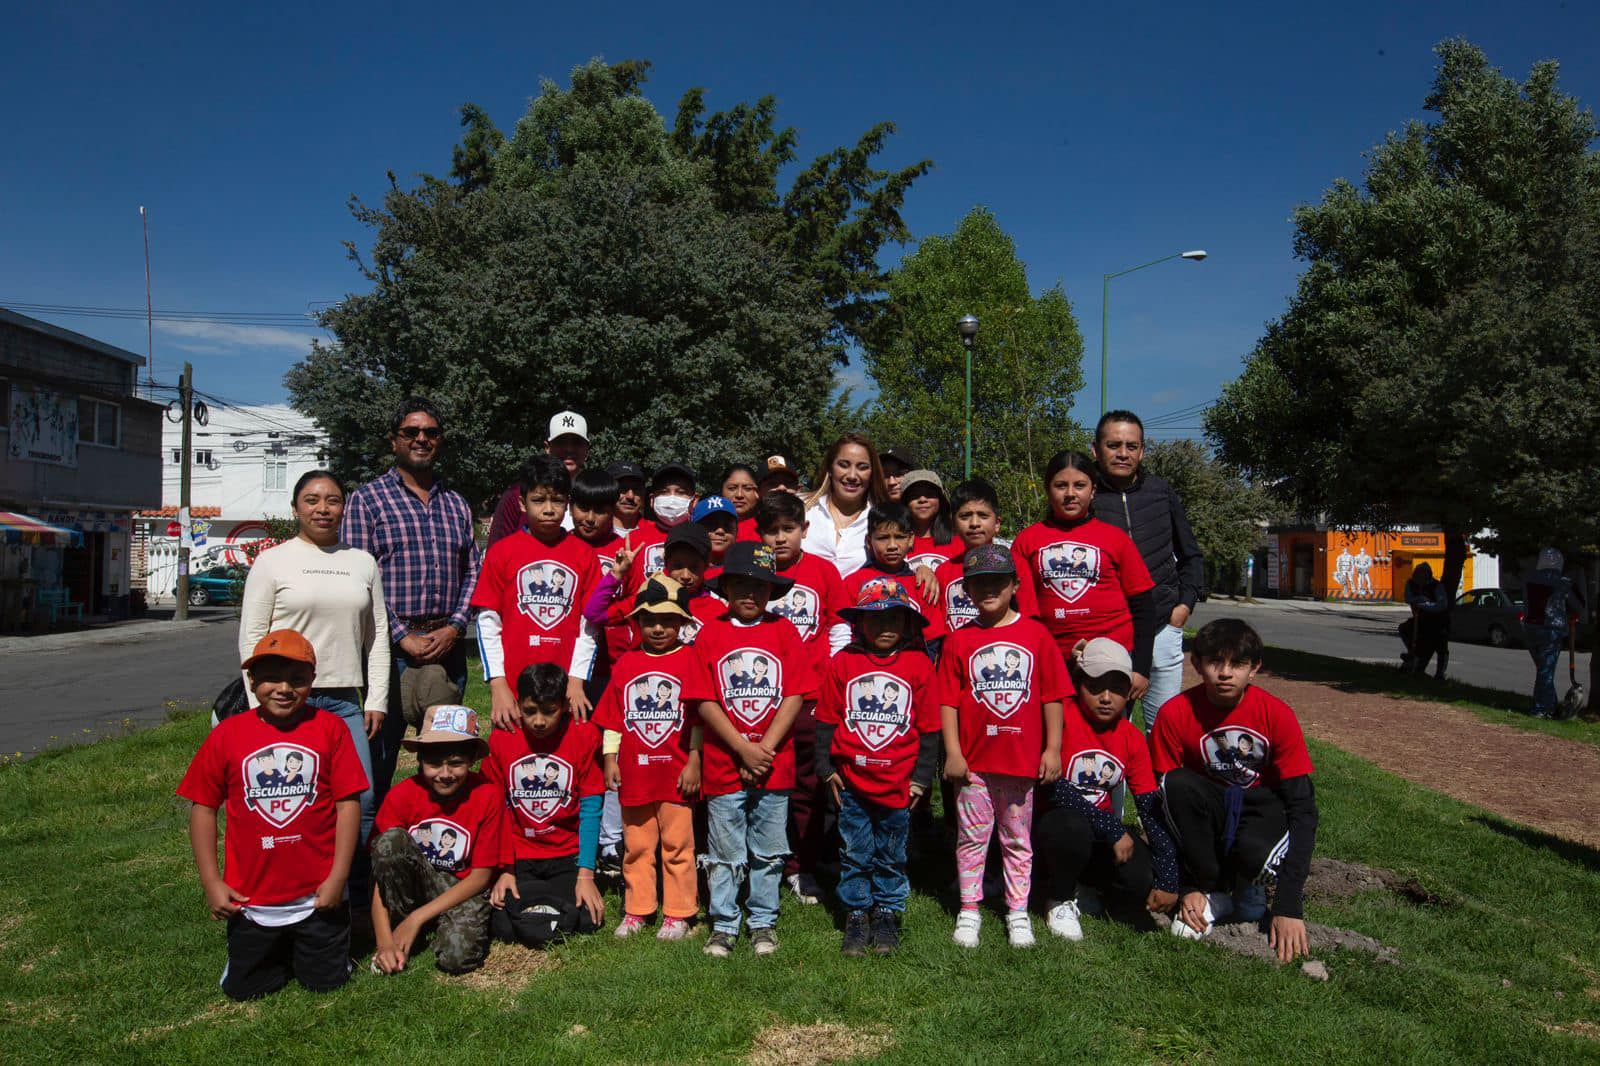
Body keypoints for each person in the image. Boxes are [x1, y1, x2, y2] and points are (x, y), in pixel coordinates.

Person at [177, 630, 368, 1001]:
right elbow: (203, 807)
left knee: (326, 984)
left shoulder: (331, 729)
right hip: (251, 901)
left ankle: (307, 945)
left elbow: (348, 805)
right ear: (251, 681)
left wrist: (338, 879)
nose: (284, 688)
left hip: (317, 896)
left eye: (297, 679)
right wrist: (212, 883)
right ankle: (272, 948)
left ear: (313, 680)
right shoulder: (228, 734)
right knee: (245, 990)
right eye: (271, 678)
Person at [239, 469, 391, 903]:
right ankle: (295, 891)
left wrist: (376, 698)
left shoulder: (362, 562)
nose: (322, 508)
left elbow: (377, 636)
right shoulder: (272, 562)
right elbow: (252, 638)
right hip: (286, 701)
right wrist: (259, 704)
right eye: (311, 500)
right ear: (295, 508)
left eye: (332, 500)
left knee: (360, 801)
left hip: (344, 700)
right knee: (299, 801)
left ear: (344, 508)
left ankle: (352, 895)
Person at [1151, 619, 1318, 963]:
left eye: (1237, 664)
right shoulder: (1175, 714)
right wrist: (1186, 885)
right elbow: (1159, 807)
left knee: (1255, 849)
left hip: (1262, 808)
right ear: (1196, 664)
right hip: (1211, 809)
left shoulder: (1276, 715)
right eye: (1214, 662)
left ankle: (1249, 888)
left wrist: (1288, 905)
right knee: (1174, 785)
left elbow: (1303, 807)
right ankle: (1210, 890)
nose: (1225, 673)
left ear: (1254, 668)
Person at [342, 397, 479, 815]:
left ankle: (441, 855)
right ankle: (368, 872)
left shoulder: (456, 504)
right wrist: (402, 636)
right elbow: (357, 579)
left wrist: (455, 627)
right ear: (394, 440)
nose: (421, 439)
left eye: (430, 433)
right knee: (374, 772)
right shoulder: (367, 501)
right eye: (411, 432)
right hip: (387, 653)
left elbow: (473, 572)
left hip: (447, 646)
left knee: (447, 768)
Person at [938, 546, 1068, 949]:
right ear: (967, 591)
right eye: (978, 584)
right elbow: (948, 701)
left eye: (997, 582)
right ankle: (970, 909)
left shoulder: (1037, 634)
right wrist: (953, 753)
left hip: (1020, 761)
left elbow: (1052, 696)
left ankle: (1017, 911)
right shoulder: (959, 640)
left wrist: (1053, 749)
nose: (988, 590)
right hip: (974, 763)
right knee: (971, 838)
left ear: (1015, 585)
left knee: (1016, 839)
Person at [694, 542, 816, 957]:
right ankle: (724, 923)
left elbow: (796, 693)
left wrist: (762, 748)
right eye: (741, 584)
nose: (750, 593)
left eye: (760, 586)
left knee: (768, 849)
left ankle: (763, 921)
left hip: (774, 762)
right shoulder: (711, 633)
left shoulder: (784, 630)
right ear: (725, 587)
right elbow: (705, 700)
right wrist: (741, 749)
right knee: (725, 850)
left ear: (772, 590)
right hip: (723, 761)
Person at [815, 578, 940, 956]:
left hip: (898, 784)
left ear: (907, 625)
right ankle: (856, 913)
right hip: (853, 782)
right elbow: (826, 719)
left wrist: (920, 779)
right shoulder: (845, 662)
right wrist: (825, 767)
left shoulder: (918, 665)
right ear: (859, 623)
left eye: (894, 620)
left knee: (891, 852)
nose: (885, 628)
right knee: (854, 851)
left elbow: (930, 728)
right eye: (874, 619)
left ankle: (886, 912)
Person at [1034, 638, 1179, 941]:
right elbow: (1050, 786)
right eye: (1096, 686)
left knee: (1140, 877)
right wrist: (1111, 826)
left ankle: (1084, 885)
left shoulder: (1132, 737)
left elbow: (1149, 805)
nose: (1106, 698)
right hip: (1050, 826)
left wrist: (1168, 877)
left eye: (1117, 689)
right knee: (1071, 828)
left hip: (1100, 833)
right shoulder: (1058, 716)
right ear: (1078, 683)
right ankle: (1058, 897)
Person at [590, 575, 705, 940]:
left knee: (678, 847)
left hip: (675, 773)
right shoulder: (626, 663)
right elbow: (613, 717)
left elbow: (700, 717)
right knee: (637, 846)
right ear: (637, 622)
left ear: (683, 623)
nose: (658, 628)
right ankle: (637, 908)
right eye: (650, 620)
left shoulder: (691, 660)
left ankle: (679, 912)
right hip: (635, 775)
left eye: (668, 620)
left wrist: (694, 760)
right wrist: (610, 758)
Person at [757, 491, 849, 904]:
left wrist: (831, 672)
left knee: (809, 785)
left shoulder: (823, 572)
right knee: (770, 782)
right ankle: (767, 862)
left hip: (812, 697)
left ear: (804, 530)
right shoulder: (752, 575)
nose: (780, 539)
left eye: (788, 529)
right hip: (763, 700)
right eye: (771, 530)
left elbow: (839, 627)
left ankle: (802, 865)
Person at [1014, 449, 1158, 708]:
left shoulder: (1115, 539)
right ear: (1048, 490)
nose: (1070, 493)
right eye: (1061, 485)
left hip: (1111, 661)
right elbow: (1025, 612)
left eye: (1079, 485)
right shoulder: (1027, 541)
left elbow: (1144, 607)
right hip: (1052, 663)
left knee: (1106, 745)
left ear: (1093, 491)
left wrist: (1141, 668)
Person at [368, 704, 504, 975]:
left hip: (463, 885)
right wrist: (383, 942)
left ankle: (420, 921)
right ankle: (401, 924)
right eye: (433, 764)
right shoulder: (401, 795)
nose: (444, 773)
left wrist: (417, 919)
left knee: (457, 959)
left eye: (455, 763)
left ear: (472, 760)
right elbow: (380, 876)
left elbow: (480, 876)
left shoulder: (488, 795)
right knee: (389, 842)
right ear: (419, 760)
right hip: (416, 882)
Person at [1090, 411, 1204, 730]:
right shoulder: (1085, 496)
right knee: (1107, 731)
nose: (1123, 453)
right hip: (1110, 632)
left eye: (1131, 446)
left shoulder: (1161, 491)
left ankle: (1162, 782)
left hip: (1163, 626)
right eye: (1113, 445)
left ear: (1141, 451)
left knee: (1165, 730)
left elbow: (1191, 554)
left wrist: (1184, 606)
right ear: (1096, 449)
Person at [472, 456, 603, 732]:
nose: (548, 509)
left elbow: (589, 623)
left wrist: (577, 679)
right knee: (512, 761)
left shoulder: (584, 555)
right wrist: (497, 683)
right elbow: (488, 621)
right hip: (514, 685)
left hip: (566, 686)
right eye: (538, 500)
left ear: (567, 503)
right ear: (522, 503)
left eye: (556, 500)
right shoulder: (502, 553)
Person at [485, 663, 606, 946]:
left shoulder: (585, 735)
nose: (539, 721)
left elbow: (591, 808)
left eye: (549, 711)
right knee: (500, 924)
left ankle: (542, 902)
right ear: (517, 705)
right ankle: (544, 902)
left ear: (564, 705)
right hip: (519, 854)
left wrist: (586, 874)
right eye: (529, 711)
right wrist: (505, 869)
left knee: (589, 919)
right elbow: (496, 810)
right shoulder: (503, 738)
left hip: (566, 854)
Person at [840, 501, 946, 646]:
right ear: (869, 541)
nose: (892, 546)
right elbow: (844, 632)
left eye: (899, 537)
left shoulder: (922, 584)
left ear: (911, 539)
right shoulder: (853, 582)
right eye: (883, 538)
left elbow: (932, 638)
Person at [486, 410, 591, 548]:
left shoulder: (596, 495)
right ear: (547, 447)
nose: (569, 449)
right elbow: (496, 554)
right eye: (561, 442)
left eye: (577, 443)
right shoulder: (516, 495)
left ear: (587, 450)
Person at [803, 433, 891, 578]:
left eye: (862, 467)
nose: (852, 475)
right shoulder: (800, 507)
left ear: (872, 473)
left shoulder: (884, 518)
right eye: (843, 465)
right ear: (830, 469)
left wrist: (922, 569)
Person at [1522, 547, 1587, 718]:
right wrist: (1571, 614)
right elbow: (1579, 605)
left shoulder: (1528, 578)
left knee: (1543, 670)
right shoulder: (1562, 582)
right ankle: (1540, 709)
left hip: (1530, 629)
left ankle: (1550, 705)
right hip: (1551, 629)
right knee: (1545, 671)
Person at [935, 479, 1003, 635]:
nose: (974, 523)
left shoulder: (1015, 564)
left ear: (997, 523)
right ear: (953, 524)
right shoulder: (944, 571)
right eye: (965, 516)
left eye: (983, 515)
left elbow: (1025, 620)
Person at [900, 469, 963, 572]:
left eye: (929, 494)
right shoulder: (896, 543)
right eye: (915, 495)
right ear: (905, 502)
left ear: (941, 501)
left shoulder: (959, 542)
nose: (922, 500)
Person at [1398, 562, 1451, 679]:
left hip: (1438, 620)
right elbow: (1408, 598)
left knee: (1441, 646)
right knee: (1405, 629)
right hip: (1421, 620)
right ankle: (1413, 659)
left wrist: (1425, 605)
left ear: (1428, 575)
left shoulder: (1437, 586)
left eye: (1423, 574)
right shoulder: (1411, 584)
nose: (1420, 577)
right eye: (1418, 574)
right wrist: (1419, 599)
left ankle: (1440, 674)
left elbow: (1442, 605)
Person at [693, 495, 740, 575]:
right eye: (710, 524)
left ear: (736, 530)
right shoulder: (683, 570)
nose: (720, 530)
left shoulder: (744, 568)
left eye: (727, 525)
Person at [719, 464, 762, 542]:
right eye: (732, 488)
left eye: (747, 489)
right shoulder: (711, 530)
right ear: (721, 491)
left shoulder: (767, 528)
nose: (739, 495)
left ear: (757, 492)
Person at [608, 461, 648, 534]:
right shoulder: (594, 531)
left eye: (636, 490)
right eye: (623, 489)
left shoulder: (655, 531)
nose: (630, 496)